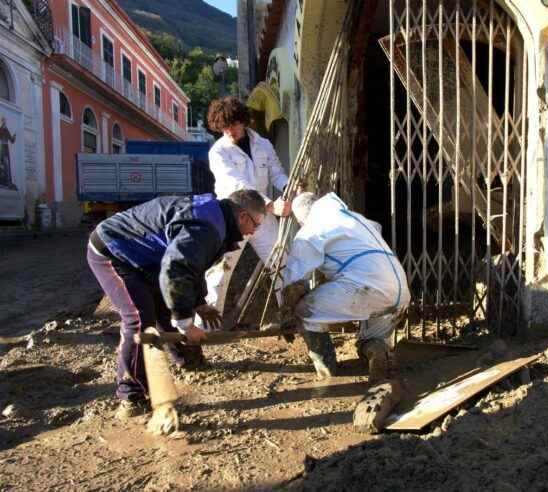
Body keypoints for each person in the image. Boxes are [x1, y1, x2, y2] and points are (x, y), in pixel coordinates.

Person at [87, 190, 267, 419]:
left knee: (167, 305)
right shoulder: (207, 226)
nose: (254, 231)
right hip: (115, 250)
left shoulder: (216, 220)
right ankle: (131, 396)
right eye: (256, 224)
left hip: (150, 256)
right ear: (242, 216)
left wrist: (199, 303)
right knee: (140, 319)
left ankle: (189, 360)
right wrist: (185, 324)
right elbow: (176, 271)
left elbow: (193, 264)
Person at [281, 192, 411, 382]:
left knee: (304, 311)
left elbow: (294, 283)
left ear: (301, 218)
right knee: (371, 337)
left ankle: (327, 371)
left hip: (366, 287)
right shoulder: (357, 219)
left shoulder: (312, 229)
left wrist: (287, 313)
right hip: (400, 291)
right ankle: (377, 350)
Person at [201, 97, 292, 325]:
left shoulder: (263, 144)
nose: (229, 131)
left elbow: (277, 173)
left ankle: (291, 314)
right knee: (220, 272)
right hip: (233, 217)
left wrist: (291, 187)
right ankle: (207, 328)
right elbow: (238, 185)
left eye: (233, 125)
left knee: (281, 262)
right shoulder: (218, 152)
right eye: (223, 128)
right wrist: (271, 205)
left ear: (243, 121)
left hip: (262, 217)